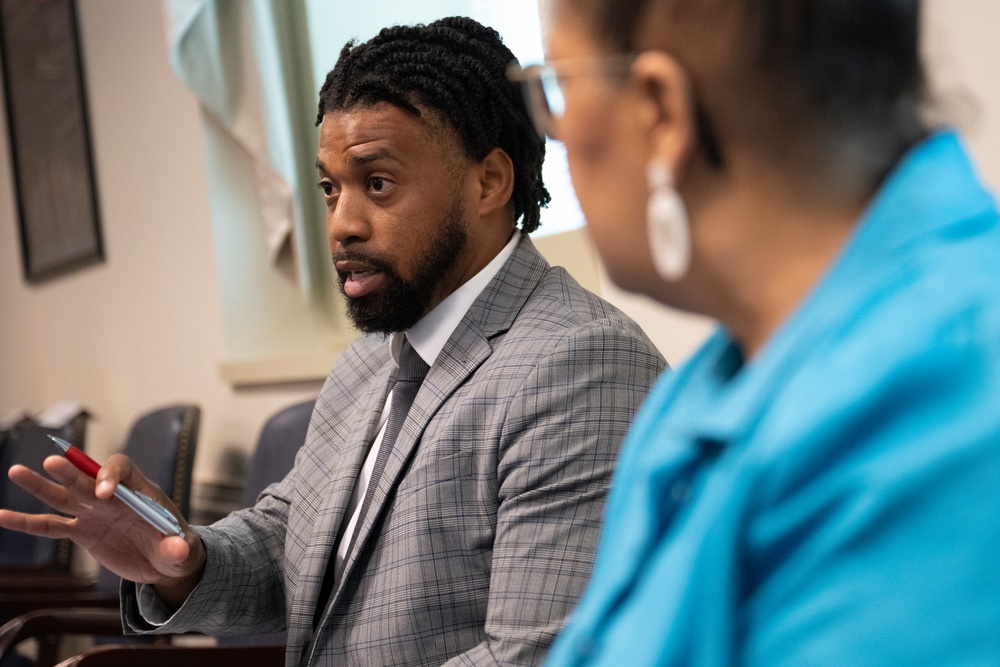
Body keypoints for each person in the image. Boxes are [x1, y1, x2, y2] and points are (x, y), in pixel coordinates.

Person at [0, 16, 665, 667]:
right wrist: (180, 559)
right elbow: (294, 540)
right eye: (329, 188)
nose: (342, 224)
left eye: (377, 183)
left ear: (488, 181)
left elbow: (540, 652)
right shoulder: (371, 358)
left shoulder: (580, 365)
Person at [506, 0, 1000, 664]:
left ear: (661, 113)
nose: (558, 134)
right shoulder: (712, 386)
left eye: (558, 85)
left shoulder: (951, 405)